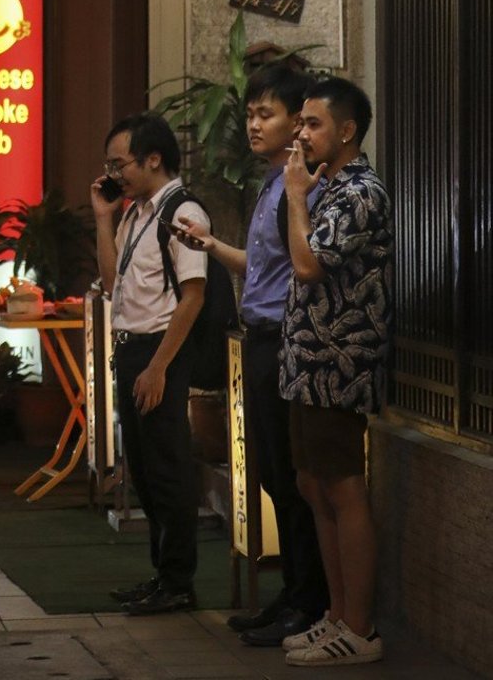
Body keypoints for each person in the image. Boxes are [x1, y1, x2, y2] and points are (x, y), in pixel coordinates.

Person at [177, 61, 328, 648]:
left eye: (266, 113)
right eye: (249, 113)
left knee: (293, 480)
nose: (252, 124)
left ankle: (309, 603)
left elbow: (305, 267)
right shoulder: (271, 182)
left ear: (298, 122)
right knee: (272, 477)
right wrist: (214, 246)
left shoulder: (305, 186)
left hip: (288, 339)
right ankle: (291, 596)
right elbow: (263, 267)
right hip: (260, 336)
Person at [279, 77, 392, 669]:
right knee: (312, 484)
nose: (300, 133)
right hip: (307, 363)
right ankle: (337, 615)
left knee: (343, 486)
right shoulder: (328, 186)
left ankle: (361, 627)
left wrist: (296, 196)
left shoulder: (359, 192)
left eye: (313, 124)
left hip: (340, 363)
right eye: (300, 122)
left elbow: (307, 265)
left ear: (347, 131)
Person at [92, 112, 207, 616]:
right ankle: (163, 575)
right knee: (142, 467)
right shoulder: (136, 213)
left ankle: (179, 582)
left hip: (162, 350)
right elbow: (113, 283)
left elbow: (193, 298)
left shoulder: (184, 213)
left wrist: (159, 367)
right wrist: (102, 217)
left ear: (154, 159)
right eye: (110, 164)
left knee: (167, 469)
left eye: (121, 164)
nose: (114, 174)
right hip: (132, 349)